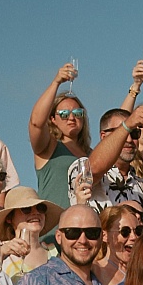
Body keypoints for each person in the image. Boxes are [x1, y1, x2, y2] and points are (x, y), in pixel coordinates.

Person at [28, 66, 92, 208]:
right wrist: (56, 82)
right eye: (63, 114)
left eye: (77, 113)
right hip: (55, 227)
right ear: (52, 119)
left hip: (87, 226)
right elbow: (36, 123)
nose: (71, 118)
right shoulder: (49, 146)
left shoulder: (91, 153)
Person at [0, 188, 60, 282]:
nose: (36, 213)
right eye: (26, 209)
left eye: (40, 208)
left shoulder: (53, 252)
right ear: (9, 218)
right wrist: (2, 252)